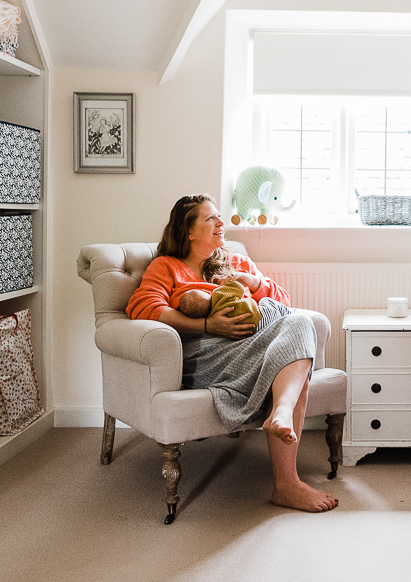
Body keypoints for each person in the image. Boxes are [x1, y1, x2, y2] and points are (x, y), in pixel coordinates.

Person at [126, 194, 338, 512]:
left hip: (251, 344)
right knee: (290, 344)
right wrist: (208, 325)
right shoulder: (167, 266)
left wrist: (252, 281)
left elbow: (283, 304)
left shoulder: (233, 261)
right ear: (188, 231)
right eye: (210, 218)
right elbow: (143, 307)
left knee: (294, 320)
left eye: (219, 217)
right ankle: (287, 481)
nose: (221, 223)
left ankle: (281, 418)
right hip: (205, 354)